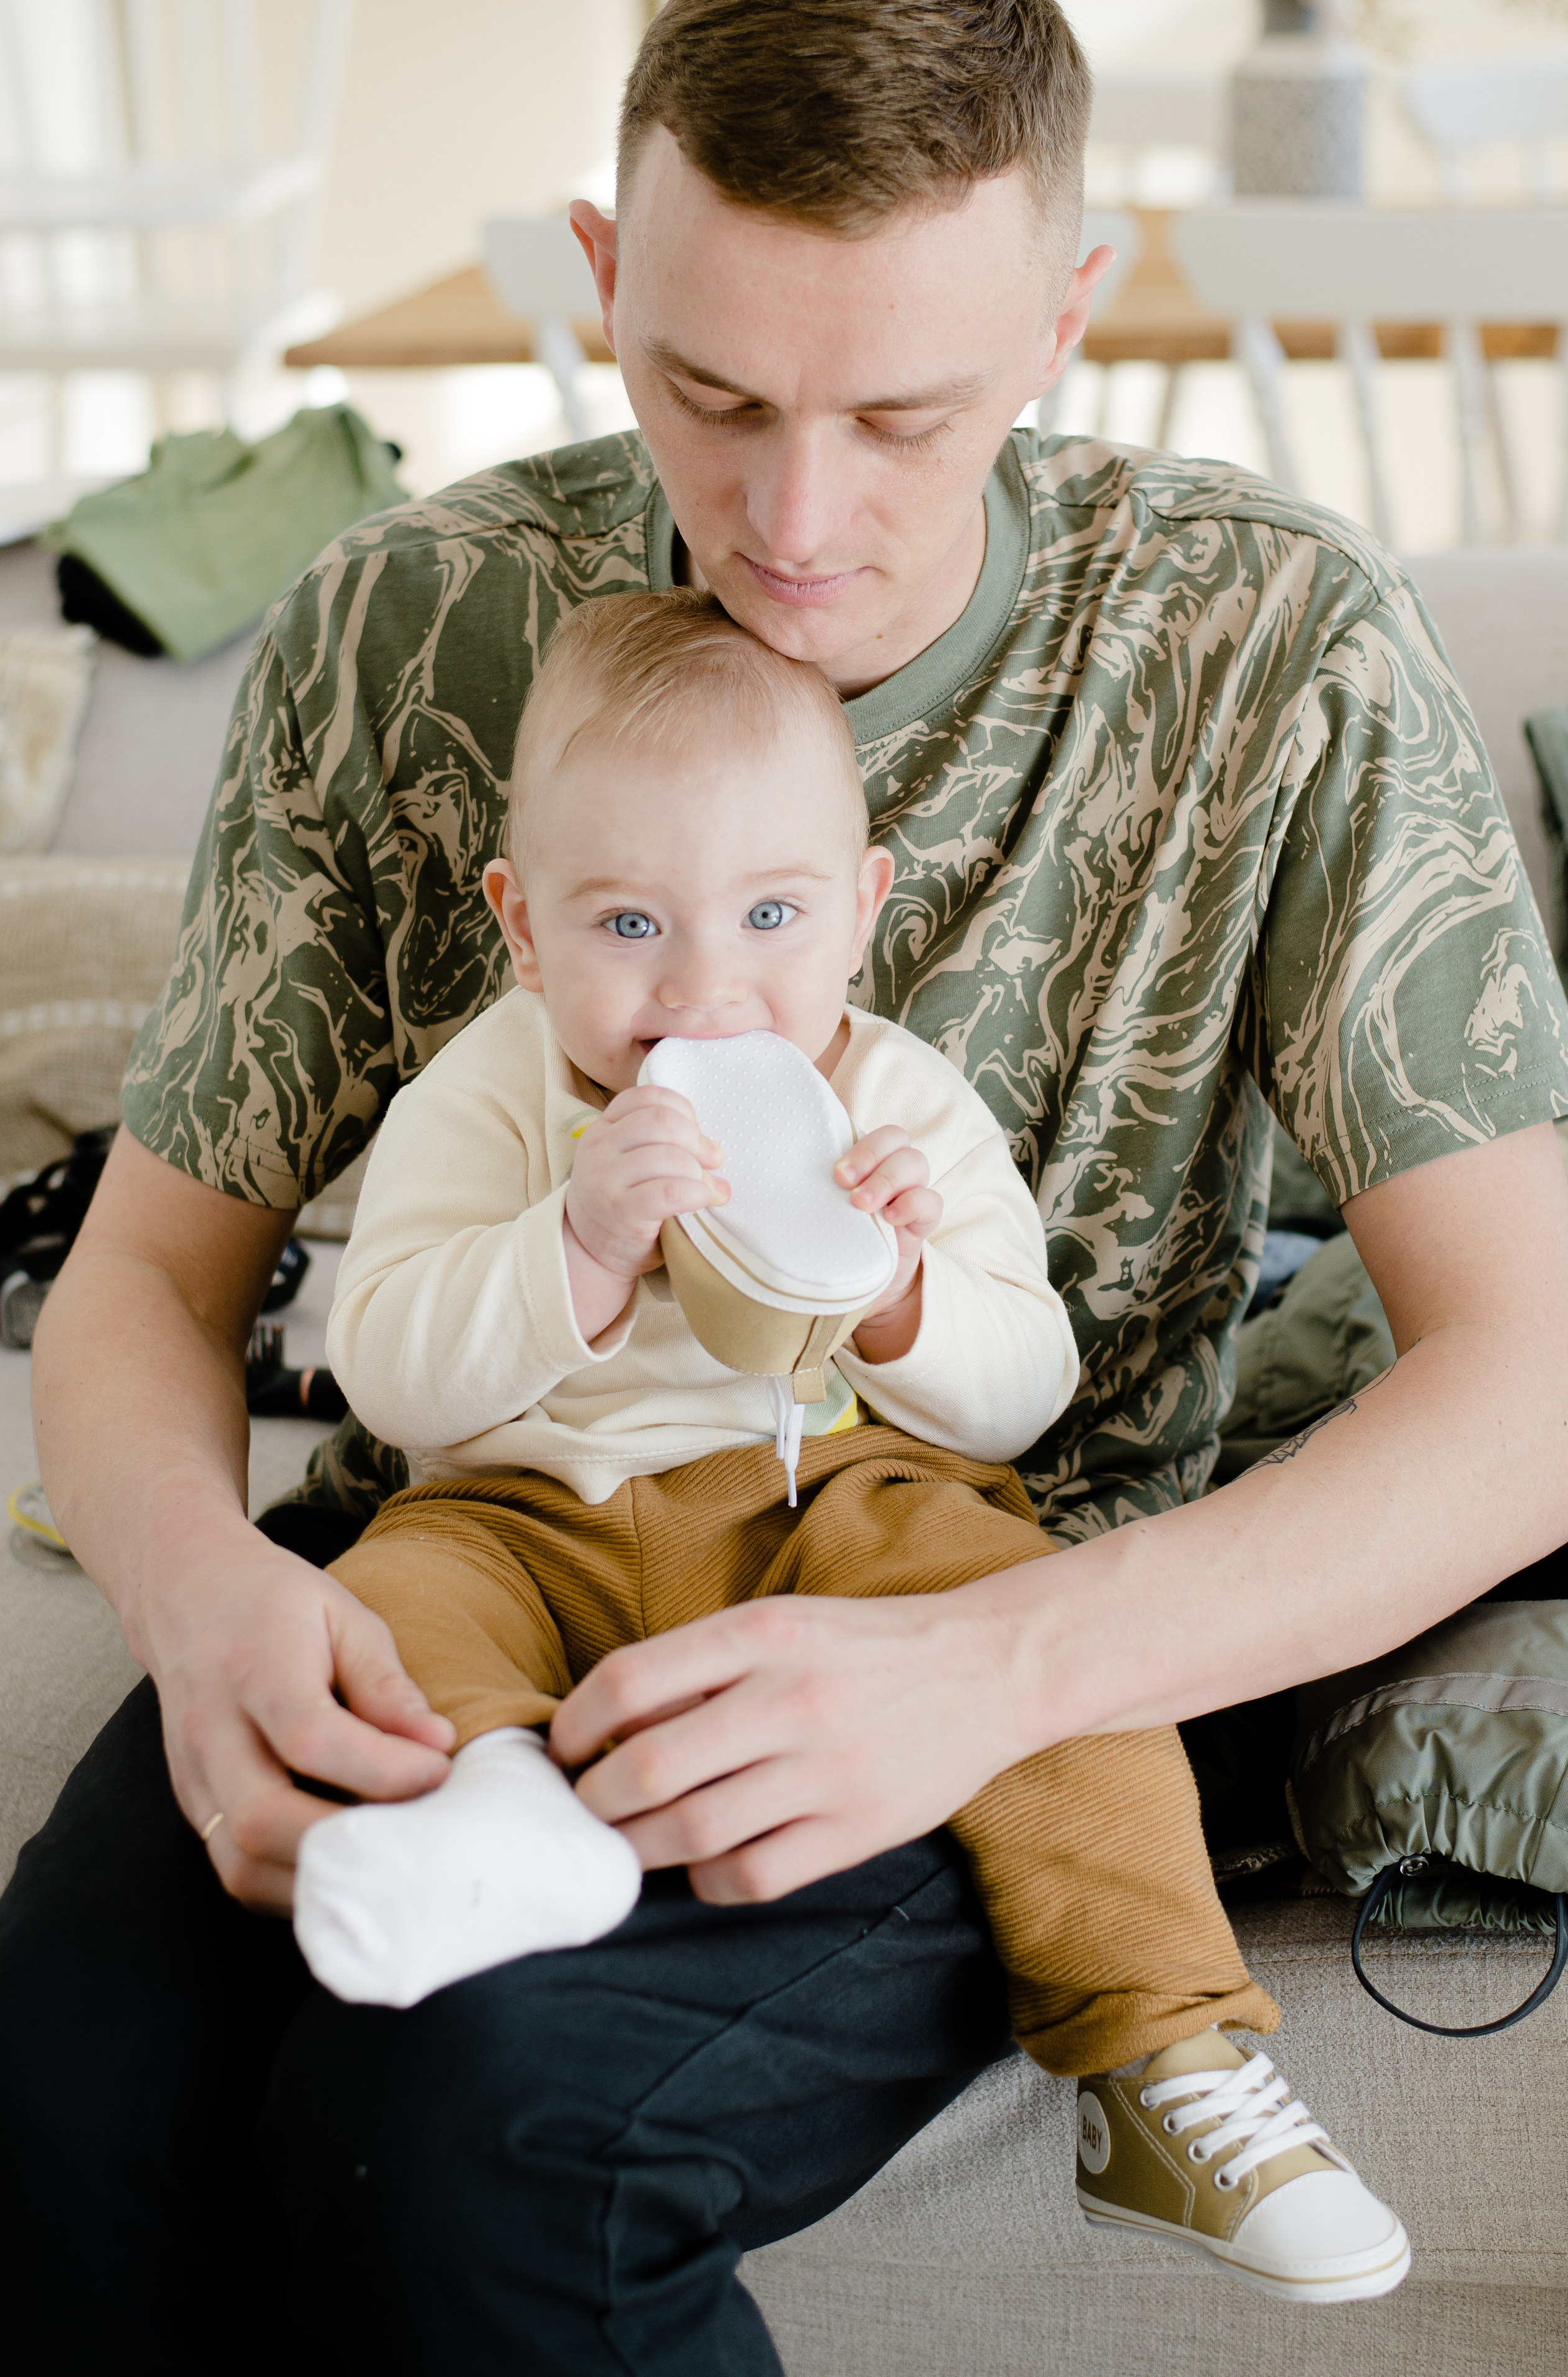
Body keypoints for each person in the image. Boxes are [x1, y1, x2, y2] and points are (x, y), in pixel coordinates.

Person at [0, 1, 1566, 2368]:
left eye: (904, 417)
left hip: (971, 1598)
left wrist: (991, 1669)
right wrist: (203, 1594)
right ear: (606, 271)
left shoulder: (1275, 648)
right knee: (50, 2116)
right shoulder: (404, 625)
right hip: (489, 1548)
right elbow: (146, 1278)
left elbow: (1540, 1368)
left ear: (1065, 313)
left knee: (483, 2130)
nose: (792, 524)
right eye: (710, 394)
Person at [293, 585, 1406, 2298]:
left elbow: (1025, 1379)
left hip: (835, 1504)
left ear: (862, 909)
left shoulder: (891, 1099)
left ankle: (1166, 2055)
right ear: (523, 926)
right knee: (391, 1601)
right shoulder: (492, 1095)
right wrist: (573, 1248)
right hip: (528, 1509)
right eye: (628, 925)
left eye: (767, 914)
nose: (709, 989)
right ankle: (503, 1804)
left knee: (1040, 1625)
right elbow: (390, 1368)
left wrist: (896, 1294)